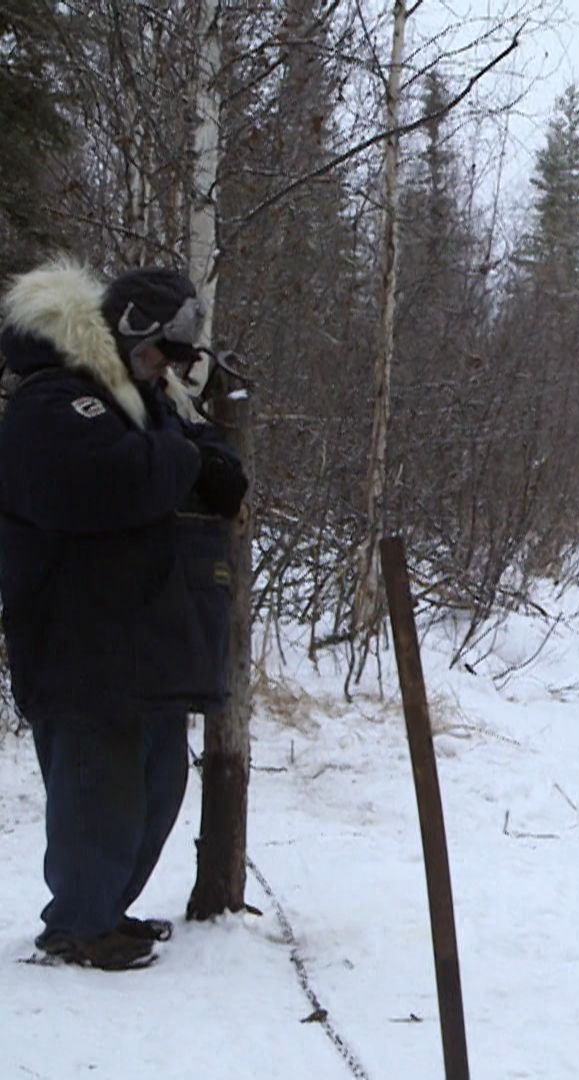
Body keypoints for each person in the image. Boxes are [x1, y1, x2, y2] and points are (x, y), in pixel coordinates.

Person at [0, 259, 249, 970]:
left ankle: (106, 909)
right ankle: (78, 923)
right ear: (128, 331)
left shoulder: (138, 401)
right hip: (79, 639)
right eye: (160, 353)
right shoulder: (53, 401)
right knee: (97, 792)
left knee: (158, 781)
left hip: (140, 637)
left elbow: (202, 454)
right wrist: (176, 457)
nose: (165, 370)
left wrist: (186, 456)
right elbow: (116, 480)